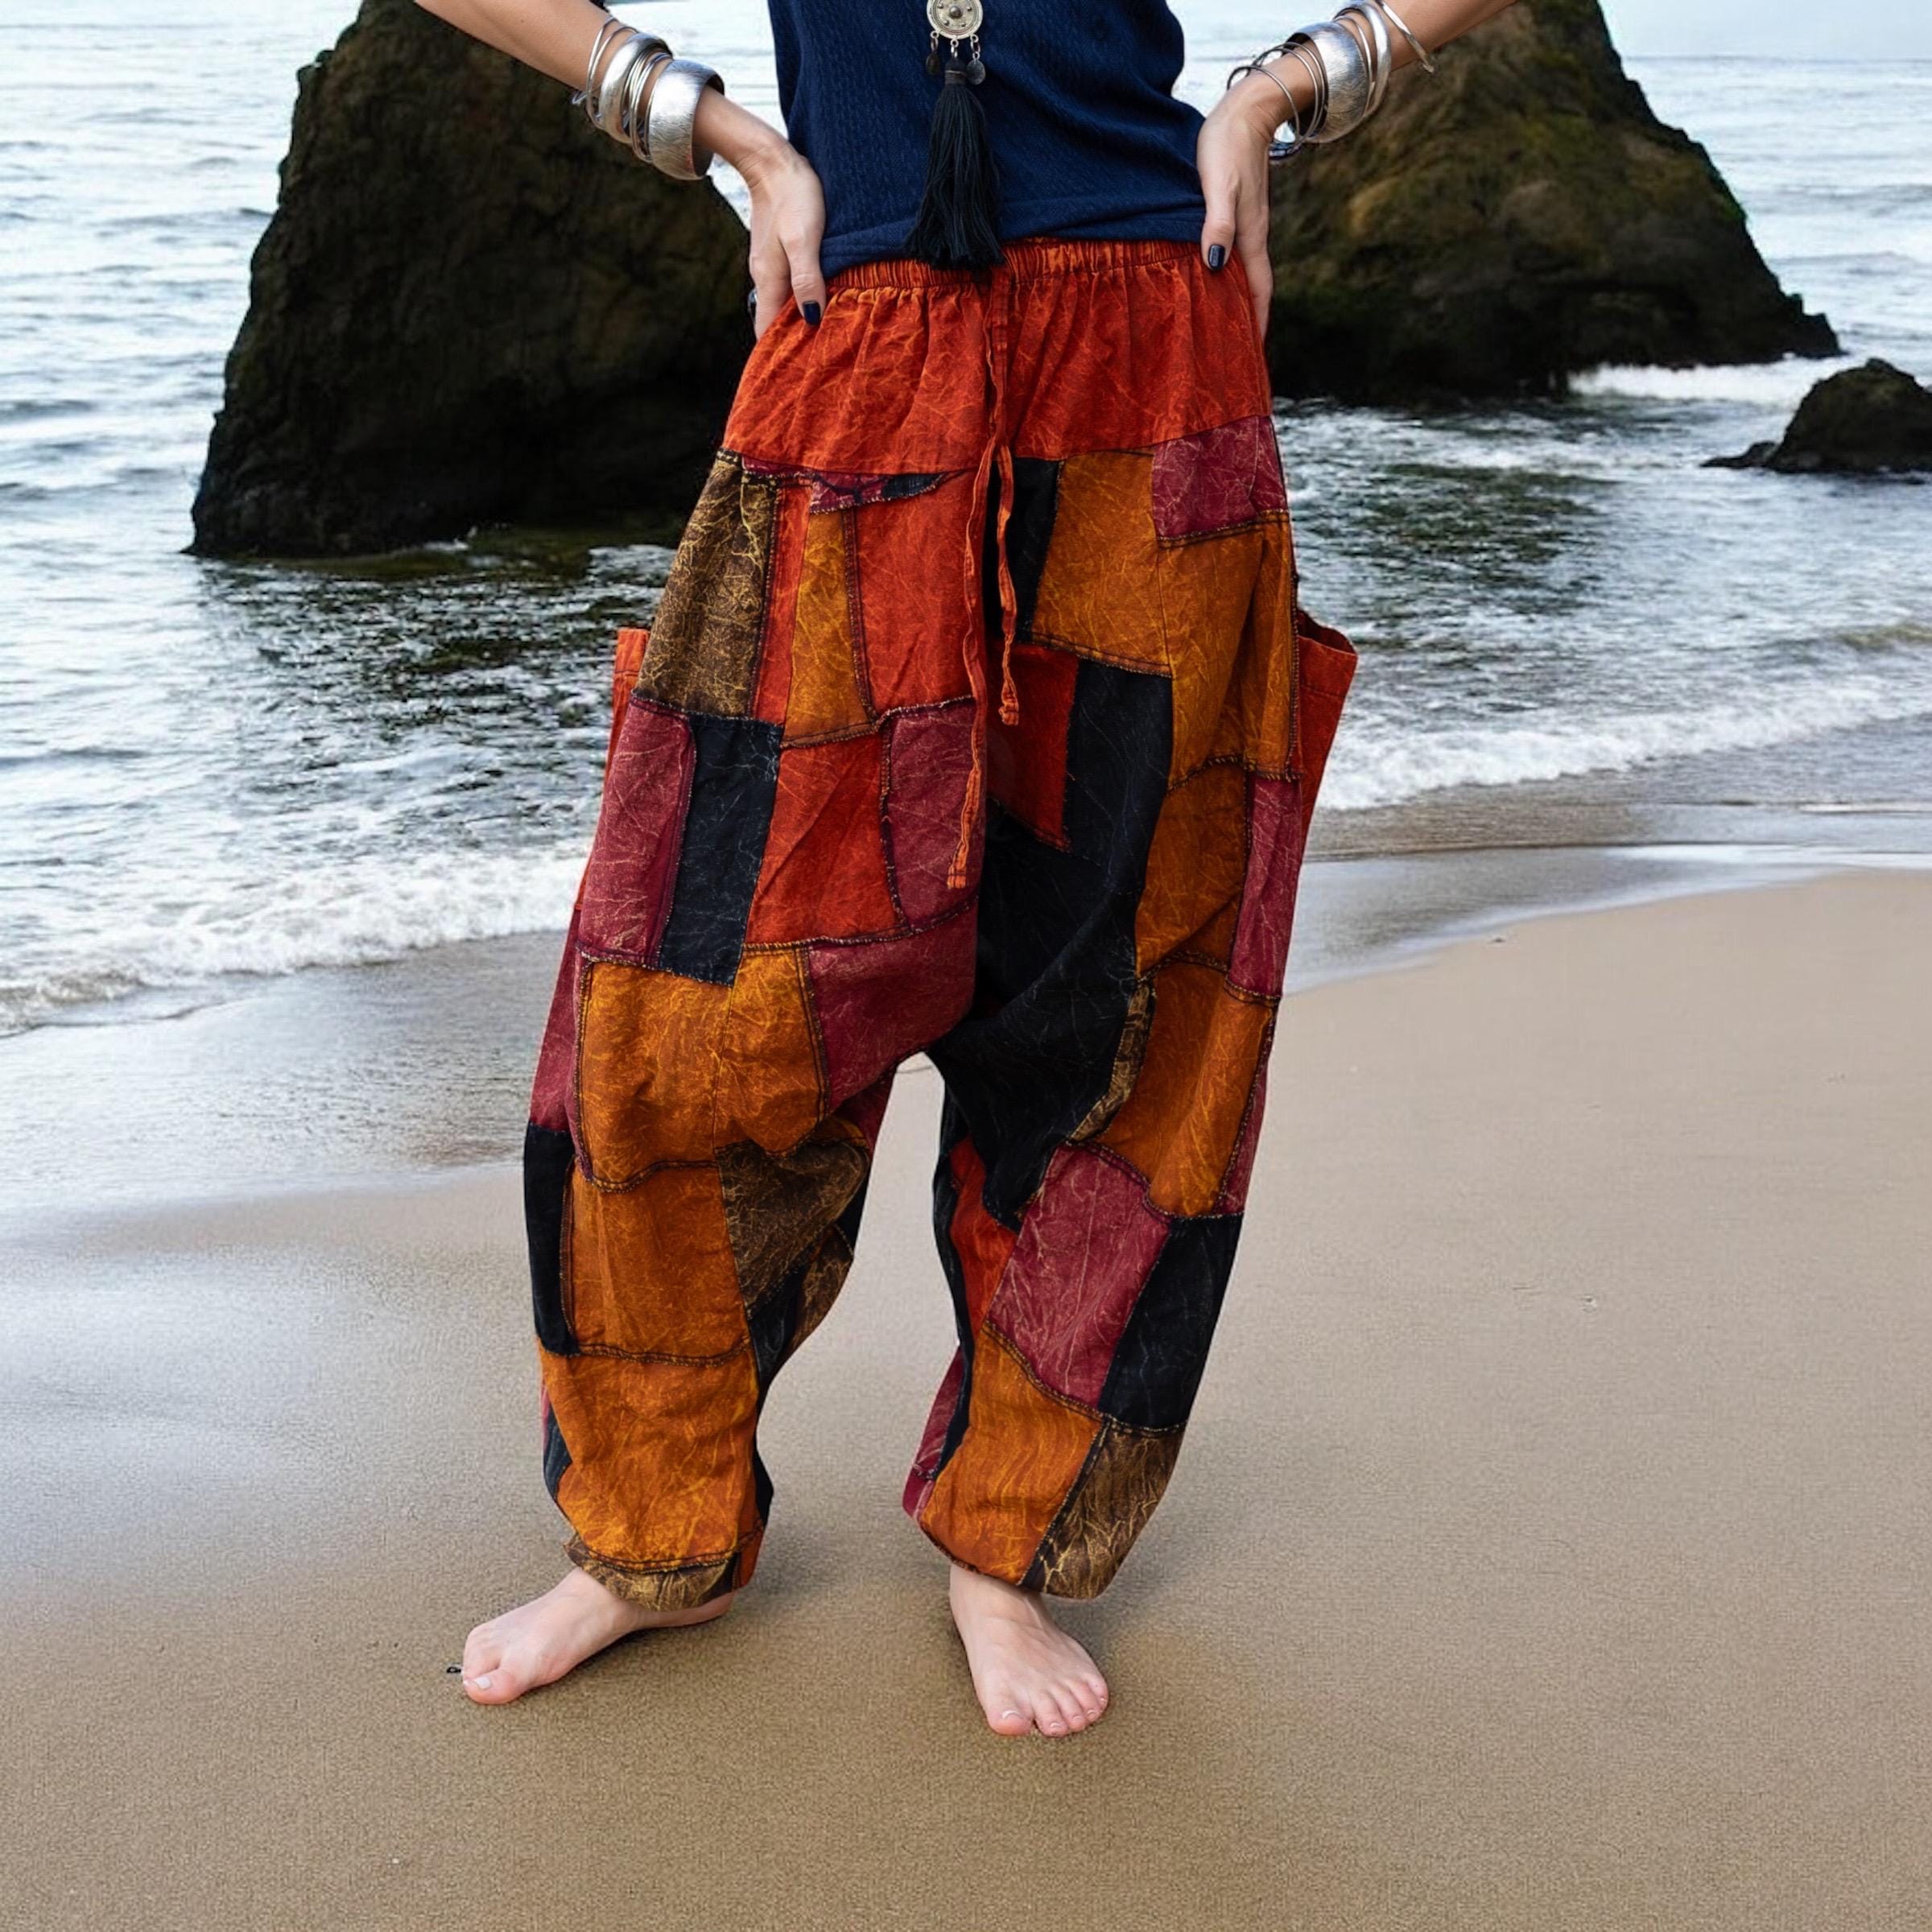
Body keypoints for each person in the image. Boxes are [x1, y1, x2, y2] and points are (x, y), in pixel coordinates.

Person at [426, 0, 1517, 1737]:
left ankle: (1011, 1538)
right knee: (689, 992)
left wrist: (1290, 87)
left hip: (1152, 352)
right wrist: (706, 123)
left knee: (1119, 1013)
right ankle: (651, 1525)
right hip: (857, 343)